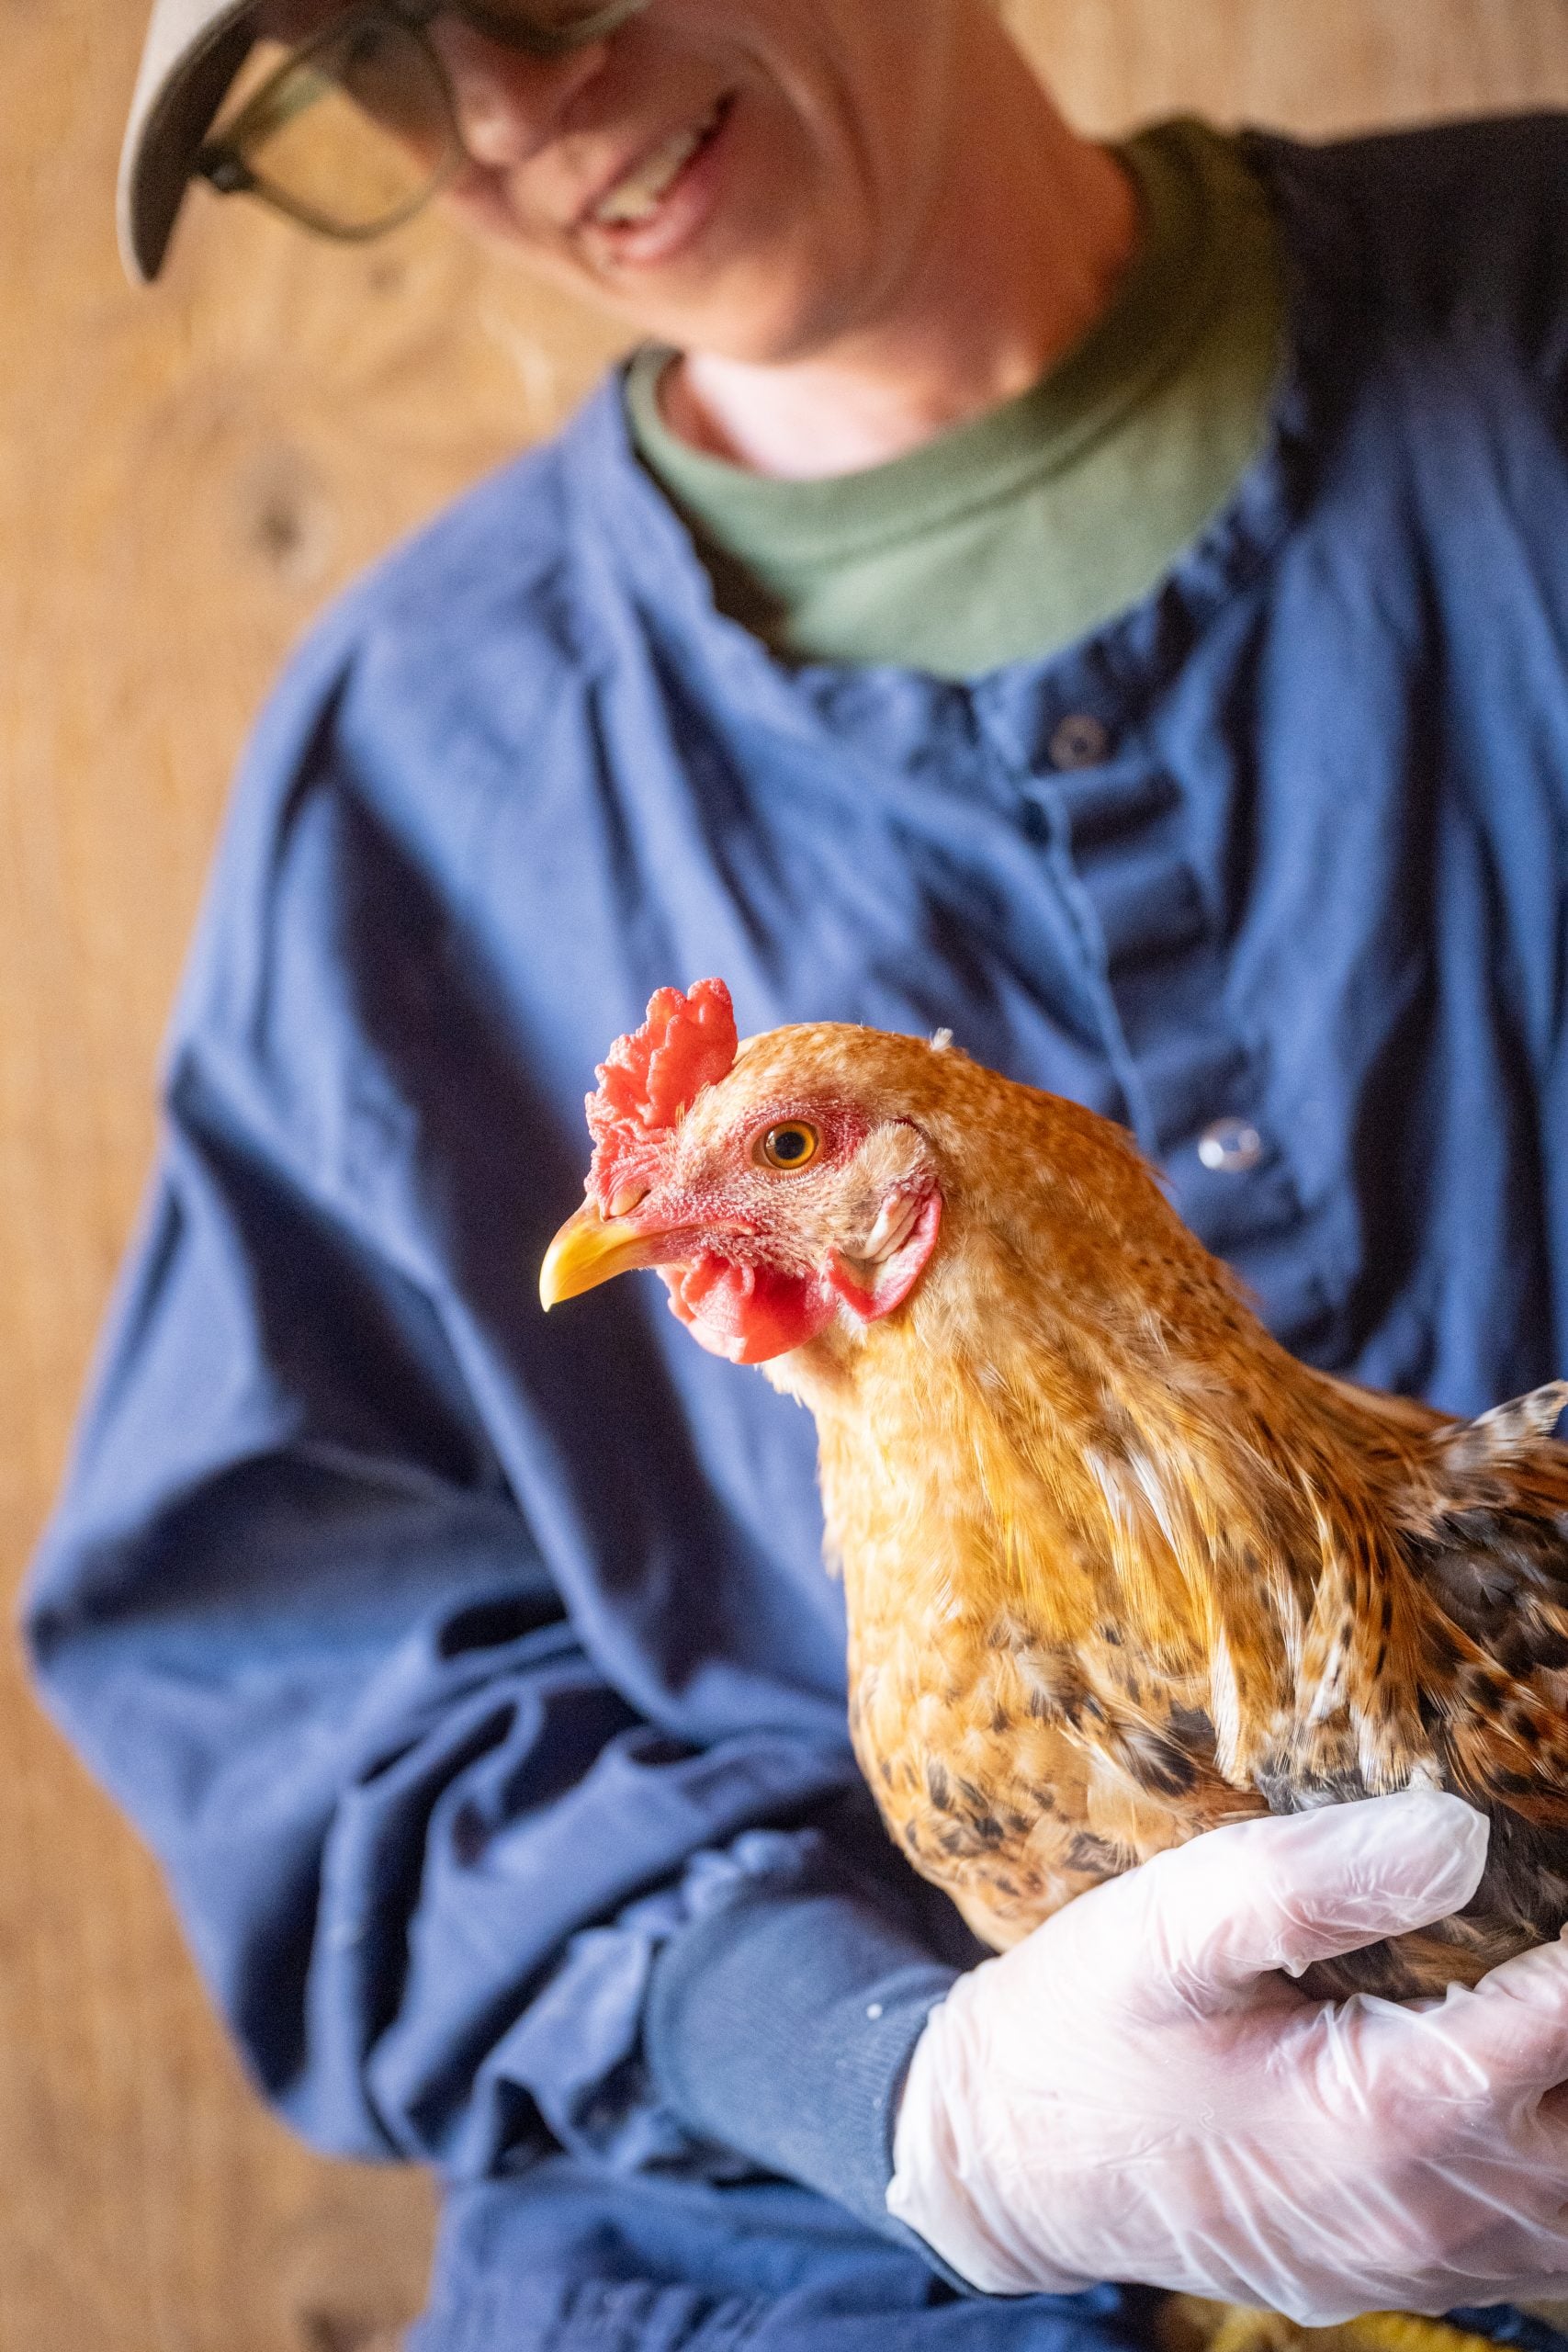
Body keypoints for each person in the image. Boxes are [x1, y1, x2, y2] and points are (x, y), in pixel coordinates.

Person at [27, 2, 1568, 2346]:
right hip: (800, 2266)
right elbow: (307, 1698)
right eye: (375, 60)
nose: (513, 113)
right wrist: (901, 2090)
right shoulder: (415, 753)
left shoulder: (1530, 333)